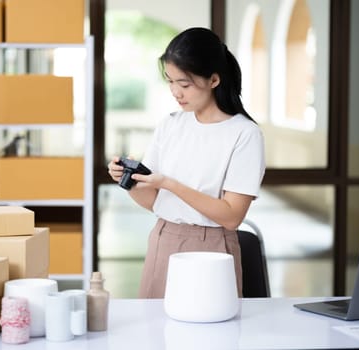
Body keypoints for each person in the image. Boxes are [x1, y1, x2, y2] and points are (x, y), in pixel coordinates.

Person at [107, 27, 265, 298]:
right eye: (170, 81)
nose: (175, 92)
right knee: (155, 336)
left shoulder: (244, 134)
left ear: (214, 79)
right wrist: (130, 182)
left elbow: (231, 217)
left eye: (184, 84)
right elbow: (154, 202)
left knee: (210, 338)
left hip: (212, 248)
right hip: (163, 238)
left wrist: (169, 183)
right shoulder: (170, 125)